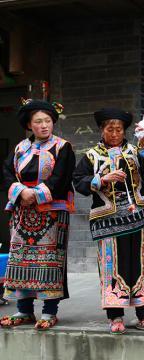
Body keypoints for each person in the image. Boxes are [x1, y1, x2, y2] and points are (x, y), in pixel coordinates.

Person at [73, 108, 144, 334]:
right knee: (112, 267)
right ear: (102, 130)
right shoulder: (91, 155)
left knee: (140, 266)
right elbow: (79, 182)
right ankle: (115, 316)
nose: (114, 133)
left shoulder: (135, 150)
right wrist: (102, 179)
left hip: (137, 218)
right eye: (109, 129)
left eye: (119, 129)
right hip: (108, 222)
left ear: (125, 131)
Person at [0, 99, 75, 330]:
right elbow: (7, 173)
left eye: (48, 121)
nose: (44, 126)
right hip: (23, 212)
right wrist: (21, 192)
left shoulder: (63, 147)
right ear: (29, 125)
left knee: (49, 261)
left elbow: (61, 178)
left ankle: (49, 312)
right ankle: (24, 310)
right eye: (38, 122)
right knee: (21, 259)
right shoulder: (20, 148)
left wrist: (37, 194)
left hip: (51, 214)